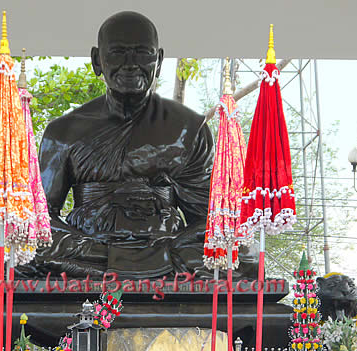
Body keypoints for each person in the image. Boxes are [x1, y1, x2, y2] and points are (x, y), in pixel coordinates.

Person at [16, 11, 256, 279]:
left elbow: (209, 220)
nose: (130, 65)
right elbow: (38, 218)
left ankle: (125, 268)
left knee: (245, 252)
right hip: (92, 247)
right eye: (118, 53)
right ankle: (142, 266)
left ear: (160, 60)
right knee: (22, 250)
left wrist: (168, 244)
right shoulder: (63, 132)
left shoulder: (188, 128)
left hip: (163, 243)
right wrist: (96, 247)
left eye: (143, 53)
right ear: (97, 60)